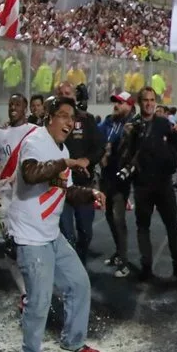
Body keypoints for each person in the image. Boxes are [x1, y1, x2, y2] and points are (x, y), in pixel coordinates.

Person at [9, 97, 105, 352]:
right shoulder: (35, 141)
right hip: (31, 236)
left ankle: (72, 342)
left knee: (79, 284)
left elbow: (67, 191)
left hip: (51, 233)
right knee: (39, 300)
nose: (69, 122)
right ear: (49, 117)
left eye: (72, 117)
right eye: (63, 115)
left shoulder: (62, 148)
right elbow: (30, 174)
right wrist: (63, 162)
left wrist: (90, 193)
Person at [118, 87, 177, 280]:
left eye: (152, 100)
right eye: (146, 100)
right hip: (142, 184)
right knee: (143, 226)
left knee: (173, 226)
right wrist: (127, 137)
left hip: (163, 183)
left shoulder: (163, 123)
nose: (149, 103)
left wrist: (175, 157)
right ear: (139, 102)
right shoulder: (132, 126)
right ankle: (146, 267)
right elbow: (125, 155)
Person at [0, 94, 37, 307]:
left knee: (30, 245)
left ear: (25, 108)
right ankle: (25, 293)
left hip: (27, 198)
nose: (13, 107)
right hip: (6, 199)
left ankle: (35, 287)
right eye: (10, 104)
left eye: (17, 104)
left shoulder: (35, 132)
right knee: (10, 249)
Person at [58, 81, 103, 263]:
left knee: (85, 232)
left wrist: (87, 160)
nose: (65, 96)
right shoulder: (50, 122)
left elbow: (99, 148)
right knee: (66, 234)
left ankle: (80, 263)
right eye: (61, 93)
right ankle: (70, 270)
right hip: (61, 186)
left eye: (68, 93)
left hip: (83, 184)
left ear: (75, 97)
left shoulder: (86, 119)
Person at [98, 91, 134, 277]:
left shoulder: (132, 124)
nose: (116, 105)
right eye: (115, 102)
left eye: (120, 102)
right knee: (109, 216)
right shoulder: (108, 122)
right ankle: (119, 252)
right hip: (106, 175)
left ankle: (125, 262)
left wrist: (110, 147)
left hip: (120, 178)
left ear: (129, 105)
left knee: (118, 218)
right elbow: (97, 135)